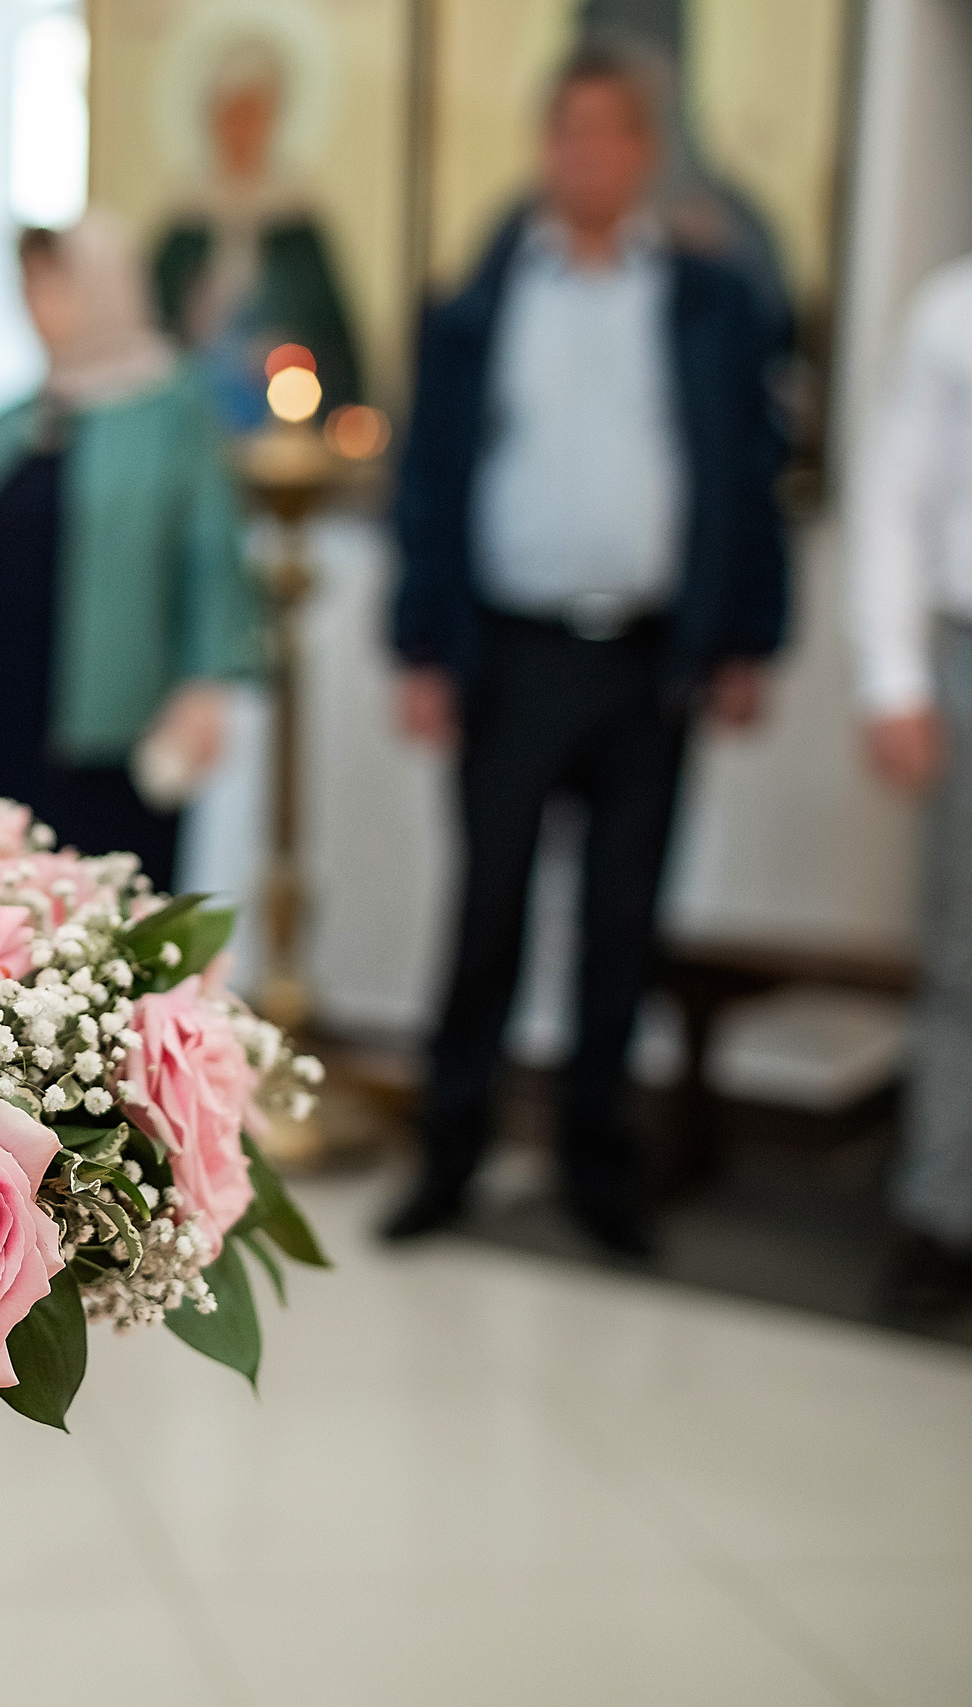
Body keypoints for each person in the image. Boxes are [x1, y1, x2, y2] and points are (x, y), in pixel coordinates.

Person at [383, 44, 789, 1256]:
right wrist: (421, 647)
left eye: (611, 133)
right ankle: (449, 1153)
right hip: (511, 652)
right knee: (487, 912)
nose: (586, 155)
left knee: (622, 923)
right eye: (567, 132)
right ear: (544, 146)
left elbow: (746, 475)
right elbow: (433, 478)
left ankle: (598, 1168)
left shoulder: (709, 300)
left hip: (649, 659)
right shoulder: (487, 299)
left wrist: (745, 640)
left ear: (644, 150)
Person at [0, 218, 256, 893]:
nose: (36, 302)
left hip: (118, 732)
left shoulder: (172, 407)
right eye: (28, 285)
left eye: (55, 283)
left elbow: (210, 553)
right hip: (5, 720)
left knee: (108, 939)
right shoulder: (17, 417)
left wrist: (205, 687)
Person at [849, 217, 972, 1317]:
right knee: (969, 959)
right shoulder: (963, 311)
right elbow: (891, 502)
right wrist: (892, 679)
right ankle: (943, 1216)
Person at [151, 34, 365, 431]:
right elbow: (155, 328)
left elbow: (329, 330)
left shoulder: (297, 219)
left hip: (283, 410)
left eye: (253, 114)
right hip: (197, 405)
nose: (241, 130)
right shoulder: (185, 221)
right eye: (231, 114)